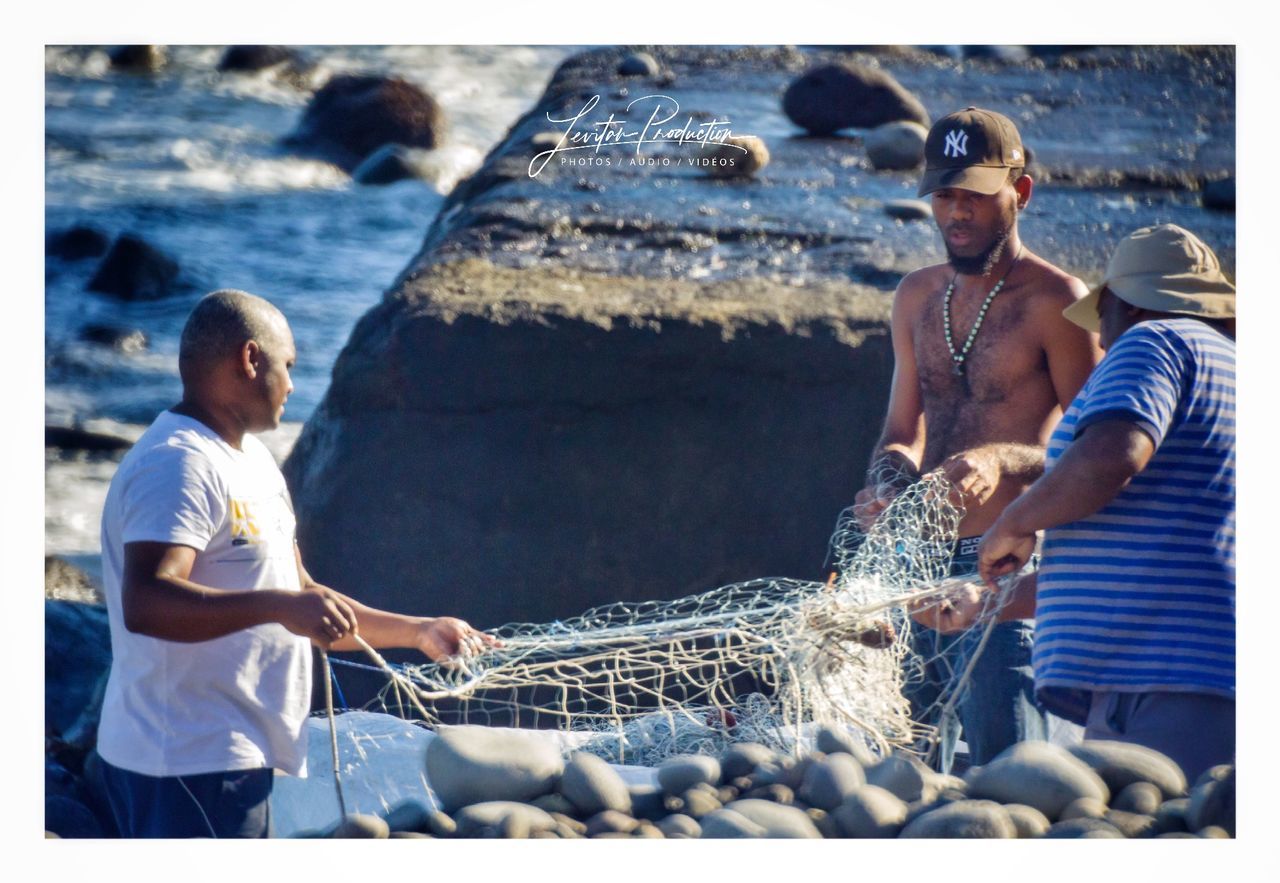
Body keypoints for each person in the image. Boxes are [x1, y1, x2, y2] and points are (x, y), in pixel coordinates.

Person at [96, 289, 499, 838]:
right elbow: (148, 601)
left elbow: (303, 596)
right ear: (249, 358)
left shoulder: (253, 459)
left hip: (237, 753)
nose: (291, 384)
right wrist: (282, 606)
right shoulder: (178, 462)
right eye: (287, 366)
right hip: (183, 759)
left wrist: (419, 631)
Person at [853, 107, 1101, 772]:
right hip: (913, 561)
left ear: (1019, 193)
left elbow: (1097, 457)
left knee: (1010, 771)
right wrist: (888, 485)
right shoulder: (913, 296)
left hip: (1002, 566)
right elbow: (901, 433)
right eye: (943, 195)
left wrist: (999, 459)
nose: (956, 213)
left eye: (974, 195)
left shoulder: (1060, 301)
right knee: (903, 769)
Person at [974, 224, 1235, 781]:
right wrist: (986, 603)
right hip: (1203, 669)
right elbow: (1153, 547)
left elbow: (1111, 457)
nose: (1102, 341)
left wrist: (1013, 521)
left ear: (1119, 303)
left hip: (1158, 677)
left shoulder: (1155, 340)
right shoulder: (1235, 367)